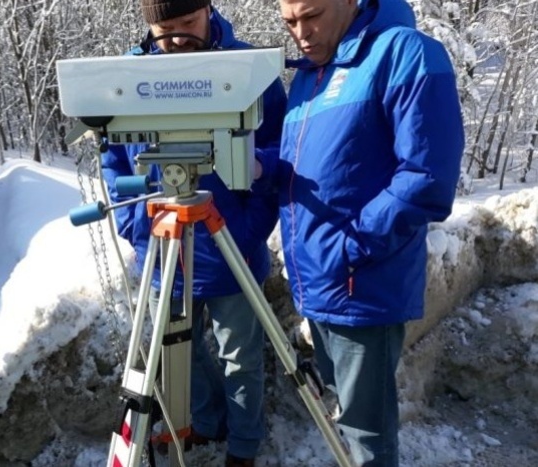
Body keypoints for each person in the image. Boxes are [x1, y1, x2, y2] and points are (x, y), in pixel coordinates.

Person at [272, 0, 465, 465]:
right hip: (318, 282)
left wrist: (352, 246)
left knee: (367, 437)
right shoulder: (307, 75)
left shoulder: (405, 53)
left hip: (362, 284)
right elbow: (319, 169)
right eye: (290, 22)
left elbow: (426, 176)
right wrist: (265, 170)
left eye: (311, 15)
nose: (301, 32)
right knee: (343, 417)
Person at [101, 1, 287, 466]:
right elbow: (112, 156)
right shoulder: (127, 77)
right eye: (166, 28)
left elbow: (277, 151)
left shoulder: (249, 70)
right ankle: (206, 422)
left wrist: (249, 229)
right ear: (148, 25)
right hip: (162, 246)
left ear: (209, 10)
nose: (179, 37)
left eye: (188, 23)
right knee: (175, 350)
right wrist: (133, 225)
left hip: (230, 247)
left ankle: (244, 445)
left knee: (239, 356)